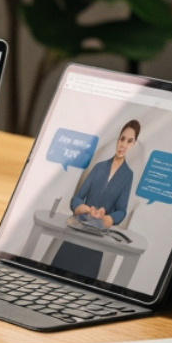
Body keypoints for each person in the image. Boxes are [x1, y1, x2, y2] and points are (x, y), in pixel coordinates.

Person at [52, 119, 141, 279]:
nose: (123, 145)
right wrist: (83, 208)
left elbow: (121, 210)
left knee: (84, 282)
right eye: (122, 139)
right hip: (79, 229)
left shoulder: (128, 175)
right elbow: (77, 198)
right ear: (118, 139)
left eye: (129, 141)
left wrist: (108, 218)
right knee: (56, 274)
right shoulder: (99, 166)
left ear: (133, 144)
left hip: (98, 237)